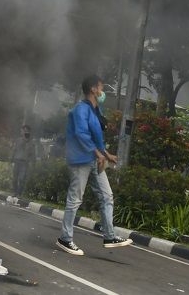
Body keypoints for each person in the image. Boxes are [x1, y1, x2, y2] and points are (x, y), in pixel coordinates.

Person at [56, 75, 132, 255]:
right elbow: (82, 134)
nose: (102, 91)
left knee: (107, 196)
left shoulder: (95, 109)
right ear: (93, 89)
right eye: (101, 87)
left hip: (94, 159)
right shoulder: (80, 110)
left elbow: (96, 137)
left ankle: (109, 236)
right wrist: (98, 154)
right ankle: (65, 239)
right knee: (75, 199)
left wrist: (106, 154)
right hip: (80, 160)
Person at [11, 124, 37, 196]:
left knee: (22, 179)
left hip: (24, 163)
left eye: (25, 131)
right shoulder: (18, 140)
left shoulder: (31, 142)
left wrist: (33, 163)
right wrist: (11, 160)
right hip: (17, 161)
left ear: (29, 132)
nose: (23, 132)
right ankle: (14, 192)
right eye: (22, 130)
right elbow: (14, 150)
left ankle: (19, 193)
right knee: (14, 178)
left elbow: (33, 154)